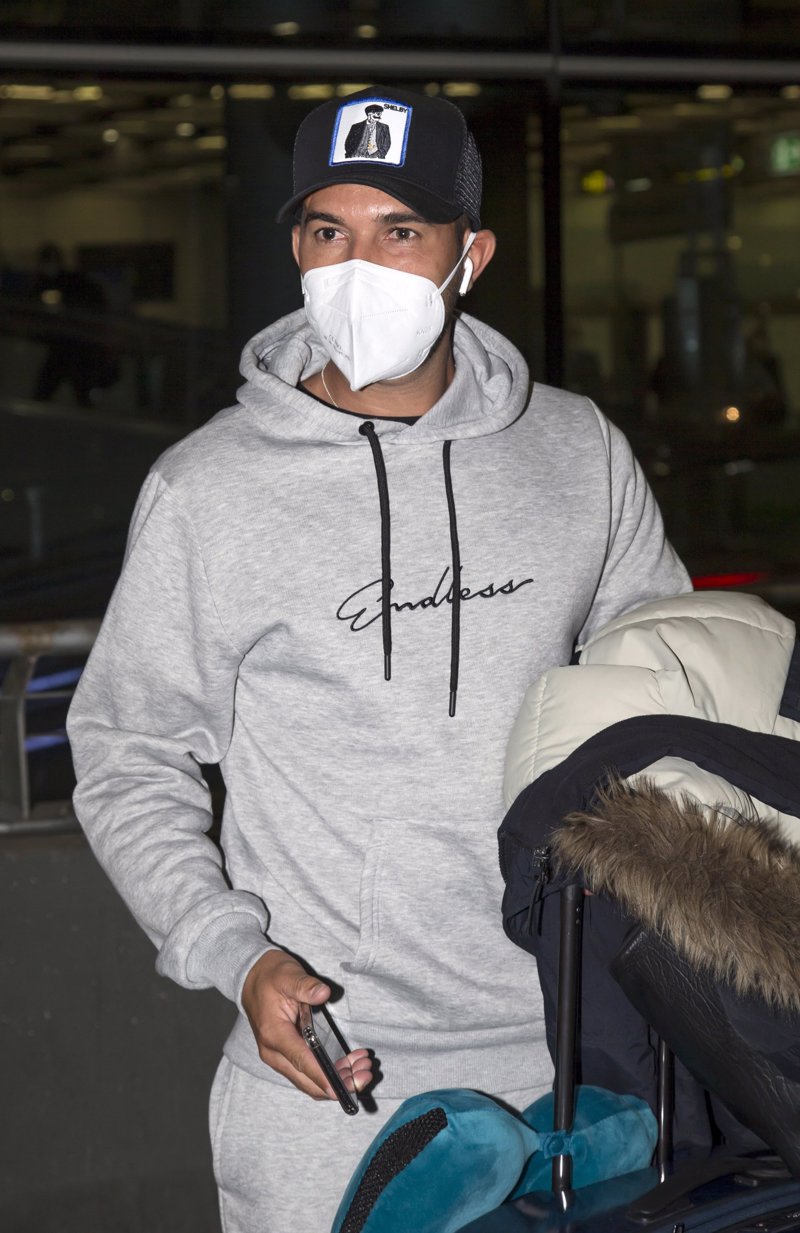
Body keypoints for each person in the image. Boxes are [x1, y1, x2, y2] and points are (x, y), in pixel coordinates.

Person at [66, 86, 691, 1233]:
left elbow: (668, 700)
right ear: (295, 253)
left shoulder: (575, 453)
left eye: (399, 230)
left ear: (469, 256)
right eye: (327, 231)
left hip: (575, 1058)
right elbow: (126, 752)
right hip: (332, 1076)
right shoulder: (209, 490)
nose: (357, 266)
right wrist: (235, 955)